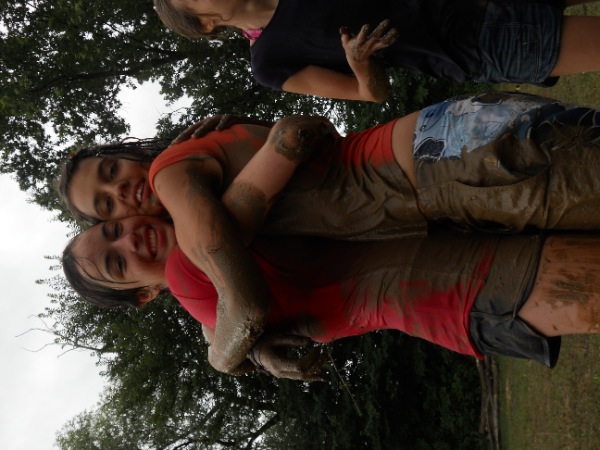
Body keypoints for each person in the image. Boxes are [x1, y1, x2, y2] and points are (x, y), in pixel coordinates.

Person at [62, 215, 600, 381]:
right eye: (117, 263)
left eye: (113, 229)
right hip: (464, 289)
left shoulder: (204, 228)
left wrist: (231, 355)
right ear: (143, 294)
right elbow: (238, 317)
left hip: (461, 270)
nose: (129, 241)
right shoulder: (188, 272)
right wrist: (228, 355)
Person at [61, 92, 600, 238]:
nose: (121, 191)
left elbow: (228, 279)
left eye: (110, 173)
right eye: (105, 206)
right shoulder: (198, 191)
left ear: (125, 156)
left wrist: (224, 353)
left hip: (446, 158)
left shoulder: (174, 168)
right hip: (445, 163)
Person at [154, 0, 600, 101]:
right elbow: (371, 94)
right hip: (472, 40)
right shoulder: (269, 61)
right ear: (206, 23)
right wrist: (360, 64)